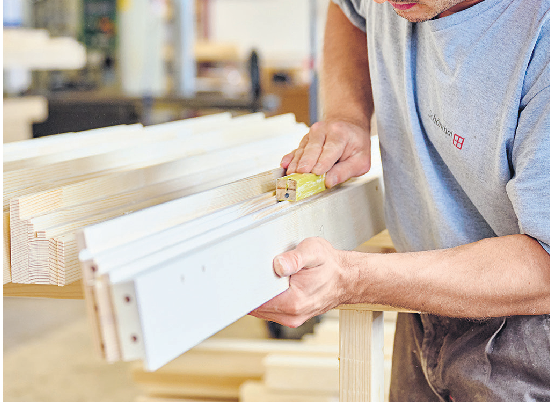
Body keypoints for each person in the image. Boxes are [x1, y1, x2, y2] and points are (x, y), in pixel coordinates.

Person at [250, 0, 550, 400]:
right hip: (421, 306)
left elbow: (545, 266)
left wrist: (353, 279)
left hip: (529, 330)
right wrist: (347, 113)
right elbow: (348, 10)